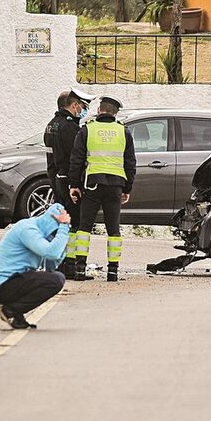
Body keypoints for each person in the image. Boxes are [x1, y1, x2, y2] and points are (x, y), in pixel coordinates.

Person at [69, 96, 137, 282]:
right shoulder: (124, 132)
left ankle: (80, 269)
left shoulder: (87, 130)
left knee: (84, 227)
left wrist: (74, 185)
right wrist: (127, 188)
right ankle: (113, 271)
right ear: (115, 113)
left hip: (92, 185)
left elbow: (76, 160)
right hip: (115, 186)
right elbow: (130, 163)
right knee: (113, 229)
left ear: (99, 110)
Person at [0, 203, 70, 329]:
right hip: (2, 285)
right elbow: (51, 253)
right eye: (54, 230)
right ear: (50, 221)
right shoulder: (28, 229)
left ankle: (16, 314)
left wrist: (60, 246)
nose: (55, 234)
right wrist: (63, 228)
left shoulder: (42, 233)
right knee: (56, 280)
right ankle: (11, 310)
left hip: (13, 281)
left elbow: (51, 266)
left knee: (55, 278)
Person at [44, 88, 94, 280]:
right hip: (69, 182)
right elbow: (76, 159)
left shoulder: (51, 125)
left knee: (61, 223)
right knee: (74, 224)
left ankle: (60, 263)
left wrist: (55, 180)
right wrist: (76, 183)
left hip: (56, 179)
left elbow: (50, 158)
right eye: (83, 107)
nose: (83, 110)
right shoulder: (71, 128)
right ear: (74, 106)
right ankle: (71, 267)